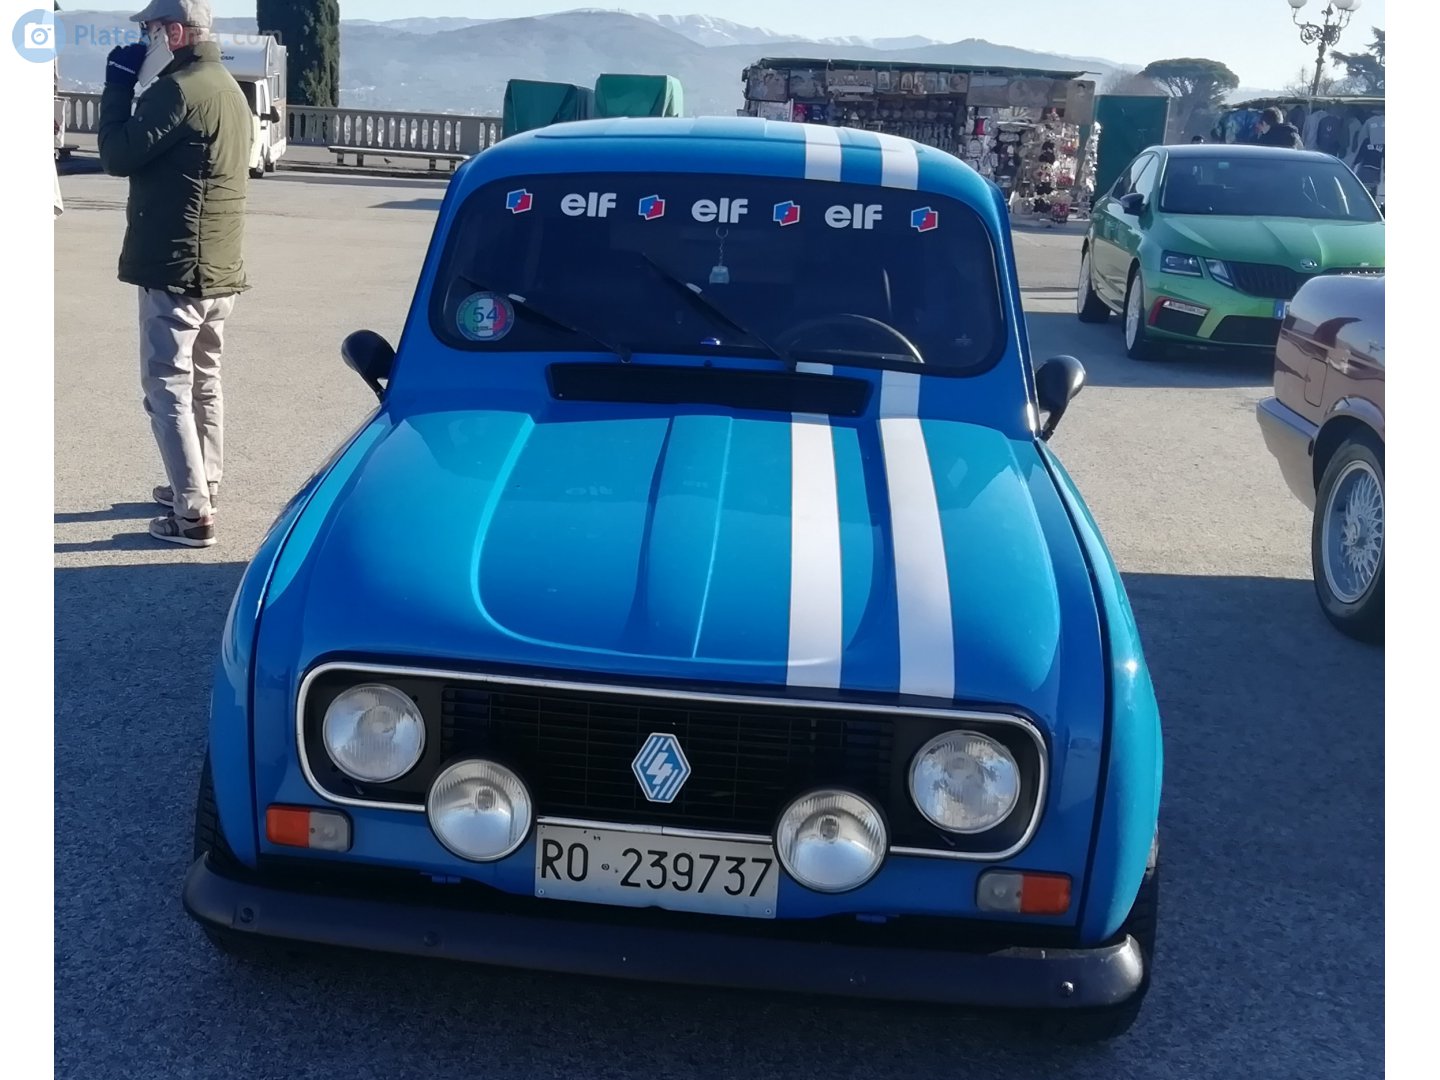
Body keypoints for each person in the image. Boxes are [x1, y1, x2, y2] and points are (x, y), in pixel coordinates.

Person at [98, 0, 250, 548]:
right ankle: (204, 483)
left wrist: (117, 88)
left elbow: (117, 155)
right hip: (220, 267)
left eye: (151, 30)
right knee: (204, 380)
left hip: (176, 265)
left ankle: (192, 514)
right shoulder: (228, 88)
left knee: (167, 386)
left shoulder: (178, 90)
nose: (146, 40)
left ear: (177, 33)